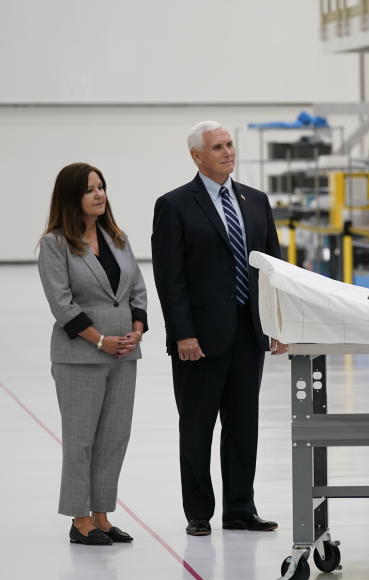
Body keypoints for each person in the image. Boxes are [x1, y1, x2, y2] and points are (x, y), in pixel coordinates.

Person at [152, 121, 287, 536]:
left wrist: (277, 323)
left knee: (244, 425)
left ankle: (240, 509)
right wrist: (182, 334)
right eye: (217, 147)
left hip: (248, 334)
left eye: (230, 145)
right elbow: (169, 278)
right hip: (199, 340)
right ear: (197, 156)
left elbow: (272, 270)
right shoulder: (175, 205)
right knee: (196, 426)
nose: (228, 152)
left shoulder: (255, 201)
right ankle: (199, 512)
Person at [38, 162, 148, 545]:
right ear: (72, 197)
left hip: (124, 354)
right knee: (81, 439)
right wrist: (100, 340)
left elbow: (137, 289)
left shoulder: (117, 237)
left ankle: (101, 514)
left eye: (101, 187)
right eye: (89, 190)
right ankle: (79, 518)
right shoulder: (55, 244)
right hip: (81, 356)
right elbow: (62, 304)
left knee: (114, 437)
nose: (99, 194)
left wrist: (135, 331)